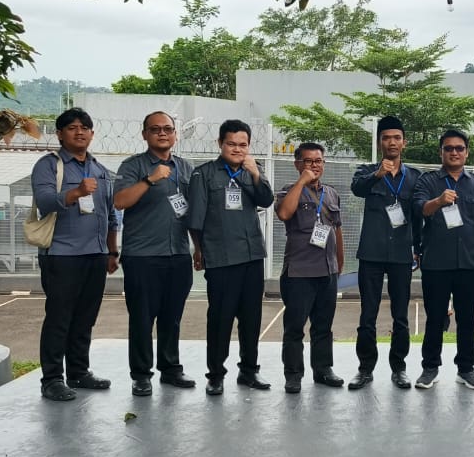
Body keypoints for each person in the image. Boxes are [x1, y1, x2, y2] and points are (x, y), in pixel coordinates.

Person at [31, 108, 120, 401]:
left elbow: (110, 214)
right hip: (62, 255)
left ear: (92, 133)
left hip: (96, 254)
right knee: (59, 318)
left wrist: (112, 250)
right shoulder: (49, 165)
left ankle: (79, 372)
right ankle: (52, 379)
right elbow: (45, 202)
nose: (79, 132)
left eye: (84, 127)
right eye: (72, 127)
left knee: (85, 318)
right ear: (59, 134)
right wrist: (76, 193)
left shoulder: (99, 169)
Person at [187, 119, 275, 396]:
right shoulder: (204, 175)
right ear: (220, 143)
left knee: (251, 319)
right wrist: (199, 250)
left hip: (252, 256)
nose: (237, 149)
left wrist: (255, 174)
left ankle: (249, 371)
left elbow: (266, 200)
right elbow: (195, 219)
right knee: (220, 320)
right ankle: (215, 374)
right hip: (222, 257)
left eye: (243, 145)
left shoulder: (253, 170)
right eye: (231, 144)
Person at [113, 111, 195, 396]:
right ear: (145, 134)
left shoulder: (185, 167)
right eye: (155, 129)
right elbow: (120, 201)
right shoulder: (133, 166)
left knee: (172, 317)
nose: (162, 133)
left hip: (178, 253)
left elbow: (192, 210)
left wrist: (199, 248)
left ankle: (170, 369)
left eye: (168, 129)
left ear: (175, 134)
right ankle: (141, 374)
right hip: (142, 256)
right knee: (142, 319)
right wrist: (149, 180)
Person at [412, 129, 474, 390]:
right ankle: (430, 368)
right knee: (435, 318)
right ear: (441, 152)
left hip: (468, 262)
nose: (454, 152)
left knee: (467, 320)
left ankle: (466, 369)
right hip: (436, 262)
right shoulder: (428, 181)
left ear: (466, 153)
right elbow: (420, 209)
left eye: (459, 148)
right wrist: (439, 200)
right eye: (449, 148)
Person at [350, 116, 418, 390]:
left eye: (396, 138)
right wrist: (377, 174)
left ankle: (399, 368)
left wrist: (418, 249)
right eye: (386, 138)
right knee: (368, 314)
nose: (392, 142)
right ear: (380, 142)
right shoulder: (366, 171)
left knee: (400, 315)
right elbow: (357, 189)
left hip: (402, 254)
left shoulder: (414, 177)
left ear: (404, 142)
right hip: (372, 253)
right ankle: (365, 368)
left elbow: (419, 216)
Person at [274, 142, 344, 392]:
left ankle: (323, 369)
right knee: (294, 327)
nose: (314, 165)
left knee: (323, 326)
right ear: (297, 164)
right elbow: (284, 214)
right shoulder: (288, 191)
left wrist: (339, 262)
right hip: (299, 273)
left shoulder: (331, 193)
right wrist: (302, 181)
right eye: (308, 161)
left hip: (327, 271)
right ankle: (293, 374)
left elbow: (336, 229)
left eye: (318, 161)